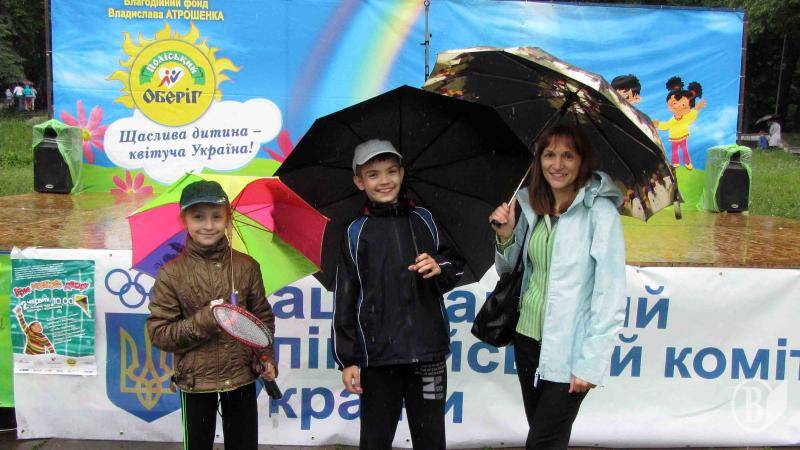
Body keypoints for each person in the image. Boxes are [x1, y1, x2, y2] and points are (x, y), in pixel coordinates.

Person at [489, 124, 626, 449]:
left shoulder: (600, 214)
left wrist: (590, 363)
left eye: (568, 155)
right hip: (527, 340)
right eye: (549, 155)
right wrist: (506, 236)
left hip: (570, 349)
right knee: (546, 435)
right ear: (538, 160)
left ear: (582, 161)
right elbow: (510, 271)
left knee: (542, 441)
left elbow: (610, 294)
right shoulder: (532, 207)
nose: (557, 164)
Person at [333, 139, 465, 450]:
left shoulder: (425, 219)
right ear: (359, 181)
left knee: (431, 440)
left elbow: (455, 266)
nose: (384, 181)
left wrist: (440, 266)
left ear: (402, 174)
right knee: (375, 440)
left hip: (429, 353)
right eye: (373, 174)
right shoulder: (354, 231)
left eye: (391, 171)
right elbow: (345, 298)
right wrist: (348, 360)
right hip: (378, 358)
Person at [147, 180, 277, 450]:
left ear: (228, 219)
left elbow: (262, 317)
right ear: (184, 220)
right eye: (198, 217)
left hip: (241, 376)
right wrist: (206, 320)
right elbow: (160, 334)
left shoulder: (247, 266)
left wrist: (265, 355)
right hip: (194, 381)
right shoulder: (170, 273)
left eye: (217, 216)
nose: (208, 225)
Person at [653, 77, 706, 171]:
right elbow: (666, 125)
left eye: (683, 105)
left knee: (684, 150)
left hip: (683, 136)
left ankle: (687, 162)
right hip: (674, 137)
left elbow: (692, 114)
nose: (677, 107)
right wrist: (658, 125)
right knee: (674, 151)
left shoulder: (686, 117)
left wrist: (697, 108)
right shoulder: (673, 120)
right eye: (674, 103)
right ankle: (675, 163)